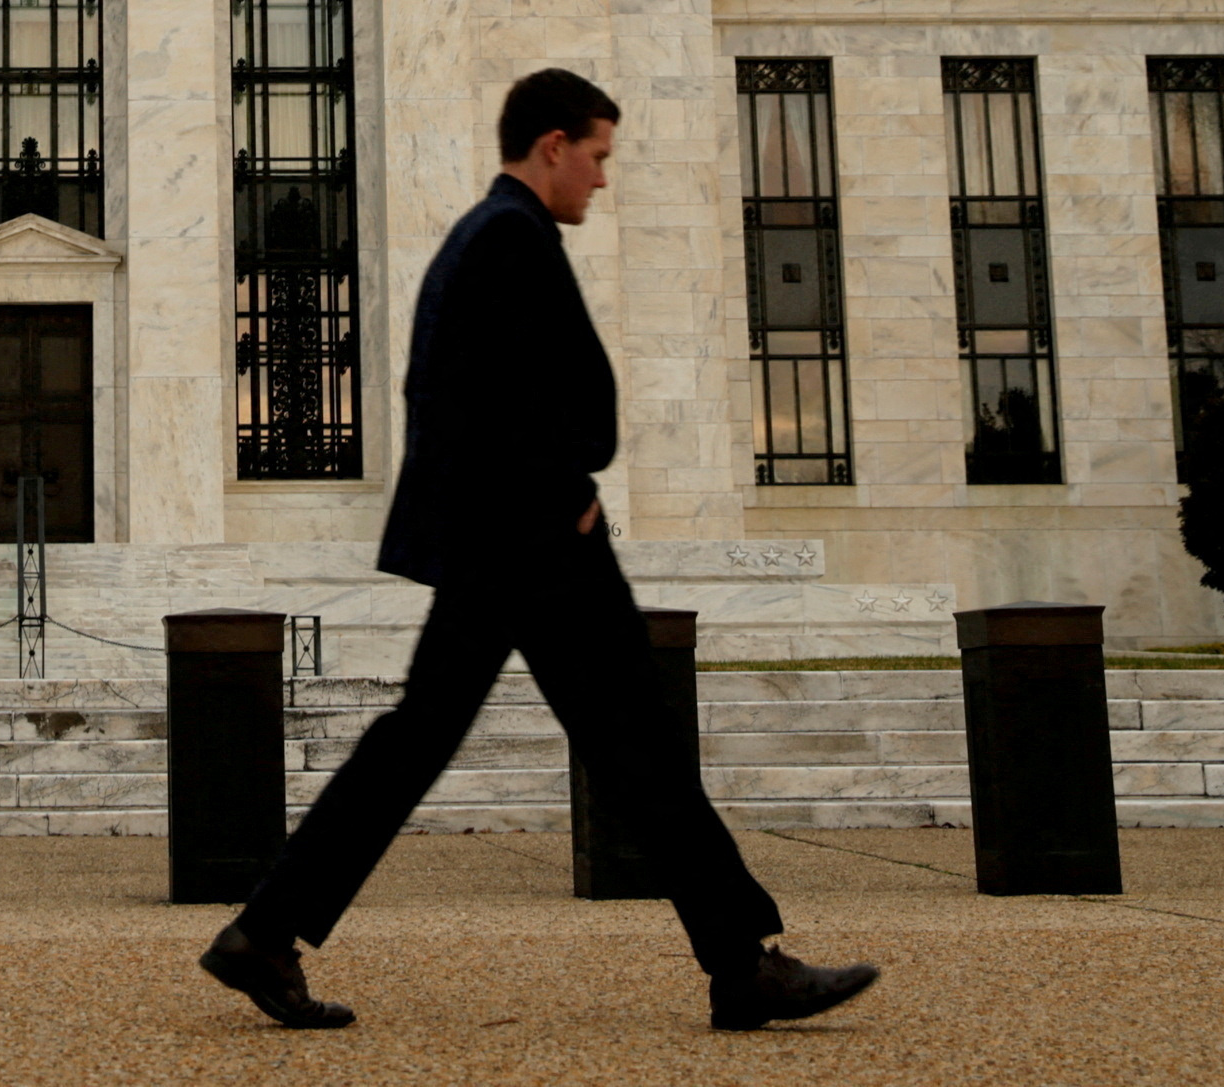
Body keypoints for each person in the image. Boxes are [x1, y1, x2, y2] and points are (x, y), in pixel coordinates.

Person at [198, 67, 883, 1034]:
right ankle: (741, 964)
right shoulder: (509, 239)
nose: (603, 179)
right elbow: (480, 401)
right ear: (552, 144)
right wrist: (564, 499)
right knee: (629, 741)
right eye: (598, 155)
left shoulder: (491, 237)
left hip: (505, 540)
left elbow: (467, 397)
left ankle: (265, 931)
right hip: (537, 542)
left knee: (449, 738)